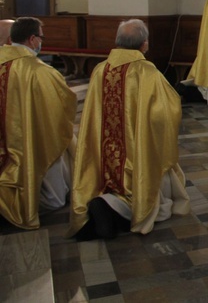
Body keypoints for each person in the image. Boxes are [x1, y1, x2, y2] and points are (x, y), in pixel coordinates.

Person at [68, 19, 190, 239]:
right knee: (150, 186)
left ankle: (104, 200)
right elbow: (164, 114)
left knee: (110, 173)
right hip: (137, 152)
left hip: (104, 154)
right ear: (144, 44)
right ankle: (115, 210)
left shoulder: (100, 70)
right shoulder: (146, 72)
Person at [0, 17, 76, 229]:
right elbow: (62, 108)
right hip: (31, 143)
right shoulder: (40, 71)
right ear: (32, 39)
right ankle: (16, 206)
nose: (42, 41)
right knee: (56, 199)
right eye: (41, 37)